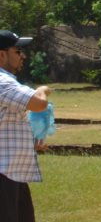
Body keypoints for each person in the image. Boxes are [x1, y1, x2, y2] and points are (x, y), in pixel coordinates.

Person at [0, 30, 52, 222]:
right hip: (4, 175)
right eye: (18, 50)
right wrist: (42, 90)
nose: (23, 55)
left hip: (11, 173)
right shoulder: (2, 82)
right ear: (1, 54)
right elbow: (39, 103)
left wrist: (30, 144)